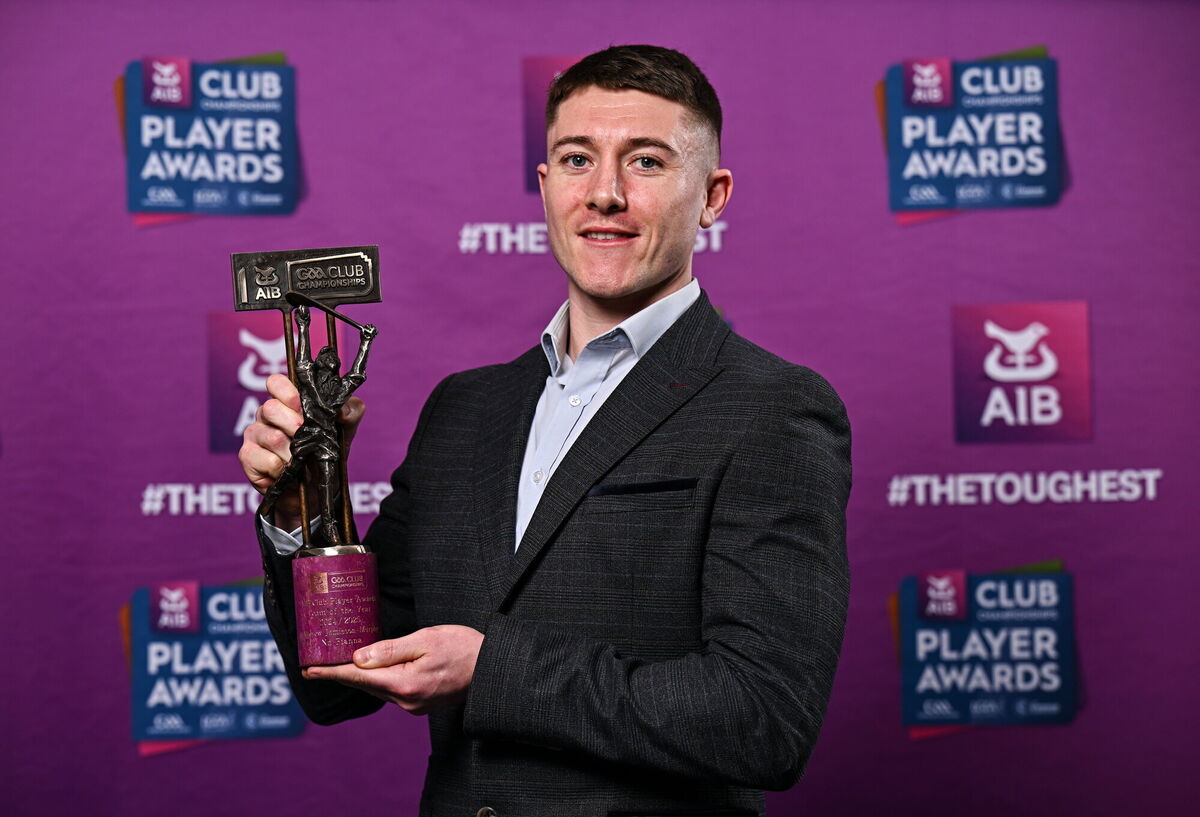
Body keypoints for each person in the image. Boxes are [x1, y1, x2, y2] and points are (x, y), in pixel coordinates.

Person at [240, 44, 851, 817]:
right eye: (575, 159)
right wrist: (305, 513)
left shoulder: (773, 407)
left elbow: (763, 718)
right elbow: (338, 679)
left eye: (648, 162)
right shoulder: (464, 411)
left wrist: (492, 668)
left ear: (712, 195)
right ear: (545, 186)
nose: (604, 193)